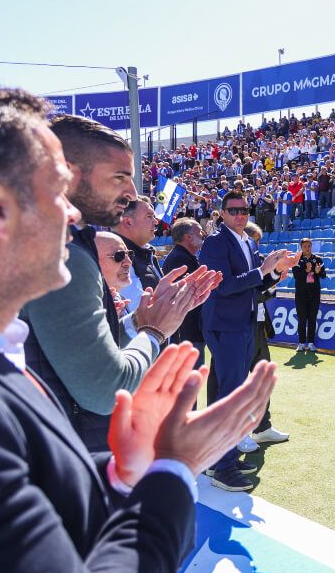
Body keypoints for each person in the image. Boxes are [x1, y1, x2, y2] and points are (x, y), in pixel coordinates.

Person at [0, 71, 277, 573]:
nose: (73, 217)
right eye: (54, 191)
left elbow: (23, 488)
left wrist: (129, 468)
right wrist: (172, 469)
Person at [22, 116, 219, 452]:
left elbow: (70, 349)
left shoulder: (54, 242)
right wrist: (154, 331)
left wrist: (138, 320)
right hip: (72, 455)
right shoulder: (63, 255)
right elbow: (104, 391)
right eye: (119, 178)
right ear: (66, 173)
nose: (130, 194)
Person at [198, 192, 296, 492]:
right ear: (222, 213)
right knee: (230, 396)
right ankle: (222, 466)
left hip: (242, 324)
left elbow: (255, 284)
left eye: (244, 210)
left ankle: (220, 458)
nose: (240, 215)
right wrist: (263, 270)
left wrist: (275, 272)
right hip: (226, 326)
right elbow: (225, 286)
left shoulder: (246, 241)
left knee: (232, 394)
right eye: (233, 210)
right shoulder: (216, 241)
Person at [241, 222, 289, 447]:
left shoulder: (258, 265)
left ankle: (262, 427)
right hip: (241, 328)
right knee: (239, 381)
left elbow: (263, 296)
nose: (257, 247)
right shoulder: (241, 266)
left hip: (259, 327)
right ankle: (238, 433)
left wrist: (275, 279)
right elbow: (247, 296)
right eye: (255, 242)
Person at [163, 218, 212, 398]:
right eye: (199, 232)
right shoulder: (180, 260)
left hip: (190, 331)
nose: (203, 235)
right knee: (188, 386)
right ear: (187, 237)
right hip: (187, 332)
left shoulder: (184, 257)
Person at [113, 196, 163, 310]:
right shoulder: (114, 256)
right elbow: (135, 311)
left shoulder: (147, 253)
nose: (155, 222)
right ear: (128, 221)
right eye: (149, 216)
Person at [292, 238, 326, 351]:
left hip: (314, 294)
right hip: (301, 294)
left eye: (309, 246)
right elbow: (296, 276)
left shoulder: (318, 259)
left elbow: (323, 275)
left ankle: (311, 343)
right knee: (302, 319)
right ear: (301, 247)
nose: (307, 248)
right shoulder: (296, 260)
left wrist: (318, 272)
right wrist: (305, 271)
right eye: (305, 246)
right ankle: (301, 343)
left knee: (312, 319)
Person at [95, 231, 134, 315]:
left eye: (129, 254)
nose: (129, 262)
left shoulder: (119, 299)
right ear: (93, 262)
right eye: (119, 256)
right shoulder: (81, 311)